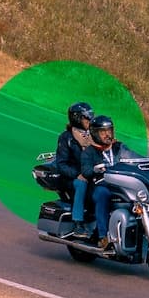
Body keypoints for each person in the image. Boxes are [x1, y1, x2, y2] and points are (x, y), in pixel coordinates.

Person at [84, 115, 135, 251]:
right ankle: (103, 236)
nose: (107, 135)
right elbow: (85, 170)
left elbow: (134, 157)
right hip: (99, 185)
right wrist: (94, 169)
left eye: (109, 131)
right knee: (103, 195)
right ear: (95, 134)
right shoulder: (90, 151)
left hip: (119, 184)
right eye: (103, 132)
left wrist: (148, 162)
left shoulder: (118, 147)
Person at [51, 101, 96, 235]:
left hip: (92, 173)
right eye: (86, 117)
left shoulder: (94, 135)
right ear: (77, 118)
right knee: (81, 184)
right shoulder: (66, 138)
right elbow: (62, 164)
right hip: (72, 177)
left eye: (91, 116)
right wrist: (78, 174)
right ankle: (78, 223)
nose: (90, 119)